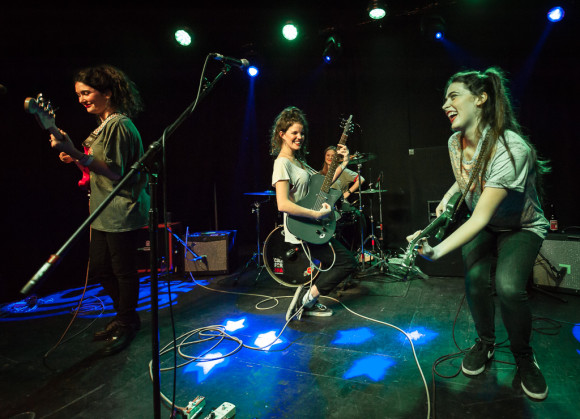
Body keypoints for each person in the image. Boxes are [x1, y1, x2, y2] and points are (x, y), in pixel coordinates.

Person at [408, 67, 550, 400]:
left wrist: (436, 251)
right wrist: (446, 202)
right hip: (487, 223)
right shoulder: (454, 143)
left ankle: (524, 357)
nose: (446, 104)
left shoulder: (511, 148)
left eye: (453, 95)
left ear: (481, 99)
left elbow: (480, 215)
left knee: (509, 287)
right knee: (474, 279)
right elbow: (465, 182)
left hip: (521, 226)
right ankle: (485, 342)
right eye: (445, 99)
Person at [50, 65, 150, 355]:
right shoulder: (103, 125)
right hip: (103, 210)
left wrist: (80, 154)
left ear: (107, 93)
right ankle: (126, 318)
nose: (81, 99)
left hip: (121, 210)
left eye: (87, 92)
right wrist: (77, 159)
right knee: (101, 269)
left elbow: (116, 173)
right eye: (79, 94)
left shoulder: (119, 124)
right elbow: (97, 169)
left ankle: (126, 322)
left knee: (122, 270)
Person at [270, 107, 358, 321]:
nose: (299, 137)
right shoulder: (281, 163)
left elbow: (323, 183)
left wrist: (344, 163)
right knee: (346, 262)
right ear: (281, 134)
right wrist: (315, 214)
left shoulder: (298, 162)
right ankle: (306, 301)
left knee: (340, 262)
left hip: (311, 224)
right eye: (294, 133)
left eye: (301, 133)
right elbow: (282, 204)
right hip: (302, 227)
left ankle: (308, 299)